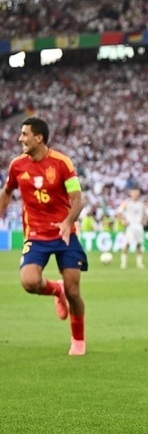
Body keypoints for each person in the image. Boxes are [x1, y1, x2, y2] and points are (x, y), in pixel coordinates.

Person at [0, 116, 88, 356]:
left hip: (65, 234)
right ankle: (56, 290)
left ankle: (78, 340)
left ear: (39, 138)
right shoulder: (17, 165)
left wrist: (68, 222)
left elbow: (78, 200)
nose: (20, 138)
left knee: (74, 291)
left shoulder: (61, 163)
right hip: (36, 234)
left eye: (25, 134)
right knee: (29, 281)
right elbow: (7, 192)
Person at [117, 187, 146, 269]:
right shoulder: (126, 203)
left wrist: (143, 221)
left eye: (137, 194)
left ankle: (139, 264)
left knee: (139, 245)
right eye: (134, 193)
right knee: (127, 244)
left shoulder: (141, 204)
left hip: (139, 226)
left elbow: (144, 214)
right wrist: (122, 221)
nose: (136, 195)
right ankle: (123, 263)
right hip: (130, 226)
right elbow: (118, 213)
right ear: (131, 194)